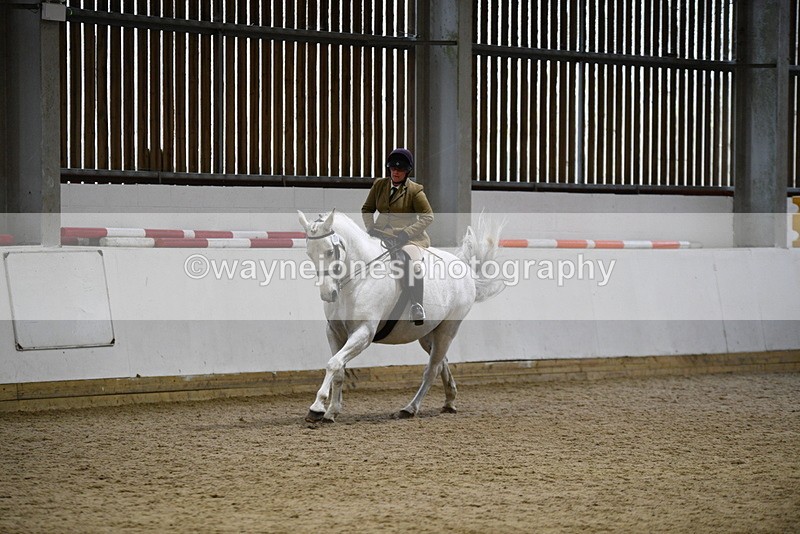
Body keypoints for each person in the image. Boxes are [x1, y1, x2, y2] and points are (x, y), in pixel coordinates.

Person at [362, 148, 433, 325]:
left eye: (400, 170)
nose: (395, 172)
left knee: (412, 263)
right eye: (393, 168)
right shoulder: (379, 185)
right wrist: (370, 227)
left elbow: (428, 216)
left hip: (407, 239)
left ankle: (417, 305)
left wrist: (407, 233)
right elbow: (367, 209)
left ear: (407, 171)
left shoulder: (415, 191)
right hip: (379, 234)